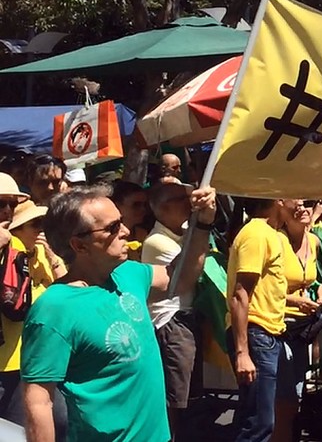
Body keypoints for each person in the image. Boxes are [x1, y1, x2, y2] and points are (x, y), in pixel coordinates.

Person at [22, 184, 214, 442]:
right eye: (112, 228)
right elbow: (39, 402)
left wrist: (201, 223)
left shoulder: (128, 273)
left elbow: (180, 279)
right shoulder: (54, 308)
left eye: (121, 222)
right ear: (79, 245)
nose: (125, 231)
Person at [140, 182, 209, 439]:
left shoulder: (180, 232)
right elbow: (193, 268)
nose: (189, 202)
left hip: (186, 319)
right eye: (181, 199)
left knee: (189, 395)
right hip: (171, 322)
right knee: (175, 398)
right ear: (163, 208)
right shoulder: (157, 241)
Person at [226, 198, 294, 442]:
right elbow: (240, 293)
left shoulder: (268, 233)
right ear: (279, 200)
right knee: (259, 423)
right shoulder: (256, 234)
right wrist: (242, 352)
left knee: (255, 418)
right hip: (256, 335)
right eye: (294, 195)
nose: (300, 202)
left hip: (266, 335)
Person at [274, 200, 322, 442]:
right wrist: (294, 301)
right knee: (283, 400)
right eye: (297, 204)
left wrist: (320, 290)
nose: (303, 208)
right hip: (277, 326)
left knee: (295, 395)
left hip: (302, 329)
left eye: (308, 203)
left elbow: (311, 280)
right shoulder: (275, 240)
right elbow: (262, 290)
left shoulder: (313, 241)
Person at [0, 200, 66, 426]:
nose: (42, 230)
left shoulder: (41, 255)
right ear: (15, 230)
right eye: (35, 224)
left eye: (44, 224)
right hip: (7, 362)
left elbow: (69, 292)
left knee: (59, 422)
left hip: (37, 360)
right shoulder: (6, 255)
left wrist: (53, 257)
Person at [111, 181, 150, 261]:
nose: (143, 209)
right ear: (117, 206)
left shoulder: (142, 234)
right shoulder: (110, 238)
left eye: (144, 205)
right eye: (136, 205)